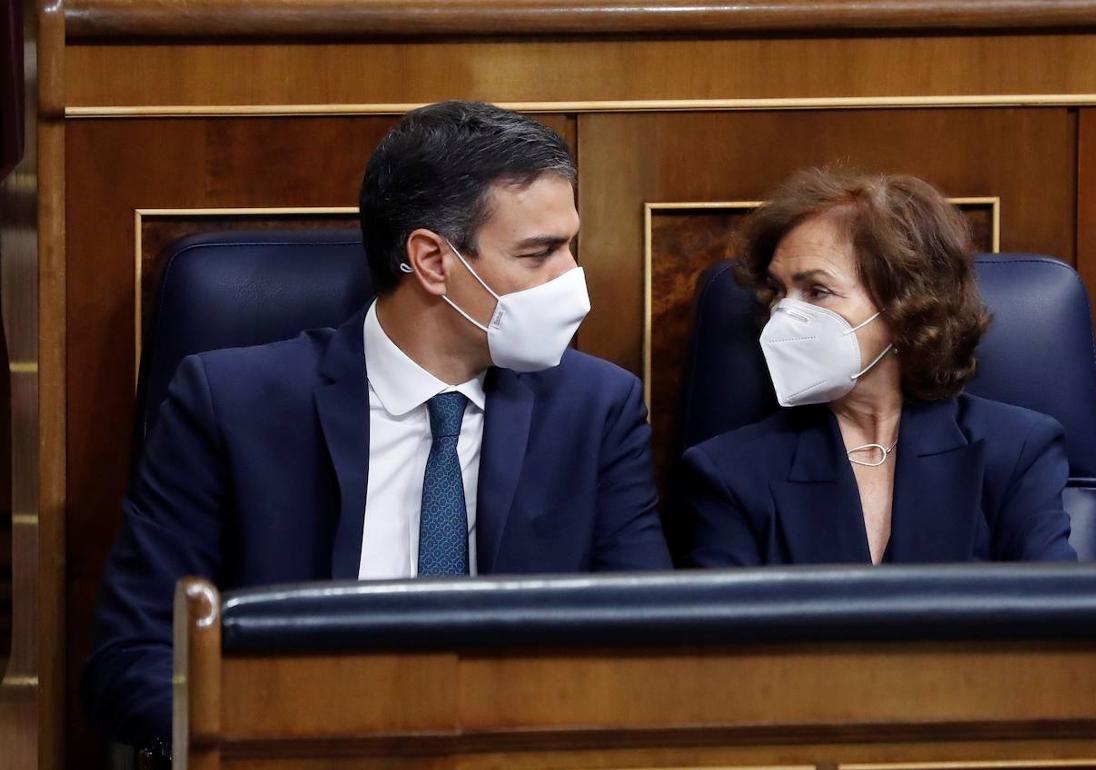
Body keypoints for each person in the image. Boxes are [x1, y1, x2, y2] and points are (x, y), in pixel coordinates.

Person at [82, 100, 672, 748]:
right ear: (432, 262)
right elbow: (132, 659)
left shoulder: (596, 411)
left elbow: (647, 650)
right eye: (541, 253)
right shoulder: (231, 406)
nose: (572, 280)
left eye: (570, 246)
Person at [683, 168, 1077, 567]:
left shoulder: (1017, 450)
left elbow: (1054, 617)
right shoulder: (728, 472)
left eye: (817, 291)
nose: (783, 314)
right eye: (779, 291)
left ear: (906, 305)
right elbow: (729, 628)